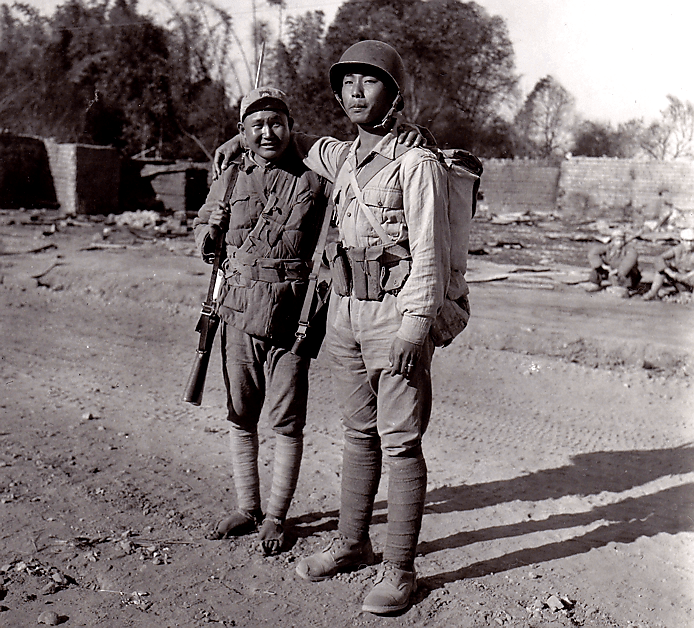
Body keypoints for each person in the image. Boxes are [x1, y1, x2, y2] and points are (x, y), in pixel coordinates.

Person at [193, 87, 331, 556]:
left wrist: (240, 140)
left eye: (277, 123)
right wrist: (209, 230)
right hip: (236, 310)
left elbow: (344, 153)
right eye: (256, 126)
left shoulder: (316, 174)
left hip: (293, 315)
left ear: (291, 127)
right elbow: (201, 230)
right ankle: (247, 508)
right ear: (243, 131)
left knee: (287, 419)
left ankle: (275, 515)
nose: (268, 132)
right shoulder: (230, 176)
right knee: (240, 412)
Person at [585, 227, 641, 297]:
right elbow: (593, 253)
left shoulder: (629, 249)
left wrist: (618, 270)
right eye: (617, 240)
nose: (619, 243)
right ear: (613, 241)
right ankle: (595, 283)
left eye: (621, 240)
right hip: (611, 270)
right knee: (597, 268)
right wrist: (603, 266)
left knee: (626, 275)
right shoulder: (608, 247)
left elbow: (630, 260)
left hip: (624, 274)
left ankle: (624, 288)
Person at [643, 228, 694, 300]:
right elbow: (659, 258)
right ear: (682, 241)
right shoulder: (677, 249)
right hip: (679, 278)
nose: (689, 244)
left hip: (690, 279)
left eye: (692, 241)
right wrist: (671, 273)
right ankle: (652, 293)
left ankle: (686, 294)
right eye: (686, 241)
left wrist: (687, 276)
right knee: (662, 267)